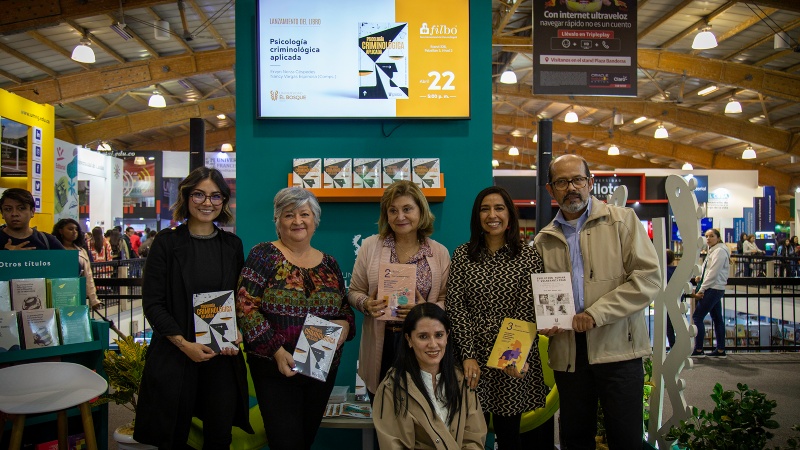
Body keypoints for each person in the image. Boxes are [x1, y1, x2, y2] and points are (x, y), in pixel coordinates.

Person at [532, 154, 661, 450]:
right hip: (569, 354)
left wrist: (595, 313)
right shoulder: (544, 240)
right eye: (562, 182)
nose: (571, 188)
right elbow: (538, 296)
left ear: (590, 183)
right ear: (551, 190)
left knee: (626, 438)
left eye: (577, 179)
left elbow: (649, 279)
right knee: (575, 439)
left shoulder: (622, 221)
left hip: (619, 349)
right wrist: (543, 321)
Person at [133, 167, 253, 448]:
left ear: (223, 201)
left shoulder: (232, 245)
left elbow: (239, 300)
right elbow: (153, 303)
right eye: (199, 194)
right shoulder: (166, 243)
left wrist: (239, 331)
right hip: (176, 354)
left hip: (220, 356)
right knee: (172, 435)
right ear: (186, 197)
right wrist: (184, 344)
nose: (207, 202)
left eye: (215, 196)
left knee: (219, 435)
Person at [236, 187, 355, 450]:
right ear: (277, 221)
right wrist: (277, 351)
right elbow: (245, 305)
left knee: (305, 439)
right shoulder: (263, 255)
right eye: (289, 215)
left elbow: (344, 308)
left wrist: (345, 323)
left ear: (315, 220)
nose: (298, 221)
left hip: (320, 368)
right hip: (275, 367)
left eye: (305, 214)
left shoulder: (330, 264)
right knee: (285, 442)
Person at [447, 186, 548, 449]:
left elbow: (528, 310)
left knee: (509, 436)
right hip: (471, 356)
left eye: (499, 208)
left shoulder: (528, 257)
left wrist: (511, 357)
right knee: (469, 434)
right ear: (476, 216)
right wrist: (468, 354)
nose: (492, 215)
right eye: (485, 209)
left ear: (510, 215)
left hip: (510, 356)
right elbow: (456, 306)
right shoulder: (462, 255)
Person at [347, 180, 450, 401]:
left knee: (422, 414)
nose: (400, 217)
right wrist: (366, 304)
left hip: (422, 345)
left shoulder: (439, 252)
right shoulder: (370, 246)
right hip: (383, 345)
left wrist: (426, 309)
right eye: (392, 210)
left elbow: (446, 299)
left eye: (407, 209)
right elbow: (354, 291)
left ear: (421, 211)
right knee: (384, 415)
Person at [373, 303, 486, 449]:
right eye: (423, 337)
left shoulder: (462, 380)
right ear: (409, 340)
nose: (433, 344)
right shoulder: (391, 387)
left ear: (447, 336)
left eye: (439, 335)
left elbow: (474, 439)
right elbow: (394, 445)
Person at [690, 228, 730, 358]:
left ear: (718, 238)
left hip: (713, 288)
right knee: (717, 318)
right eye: (706, 236)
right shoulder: (713, 250)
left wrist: (701, 289)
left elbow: (713, 272)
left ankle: (699, 349)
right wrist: (700, 277)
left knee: (697, 317)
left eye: (711, 236)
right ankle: (720, 350)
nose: (708, 238)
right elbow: (709, 269)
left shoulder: (719, 251)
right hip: (715, 287)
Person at [52, 218, 102, 309]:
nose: (74, 232)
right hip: (56, 293)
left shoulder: (81, 251)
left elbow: (88, 275)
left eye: (76, 229)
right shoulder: (52, 250)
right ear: (60, 231)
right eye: (70, 229)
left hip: (76, 293)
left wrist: (93, 299)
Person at [664, 250, 679, 349]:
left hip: (666, 302)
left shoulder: (663, 271)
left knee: (668, 327)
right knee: (678, 325)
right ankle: (680, 348)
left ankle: (673, 347)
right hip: (678, 301)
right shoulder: (678, 271)